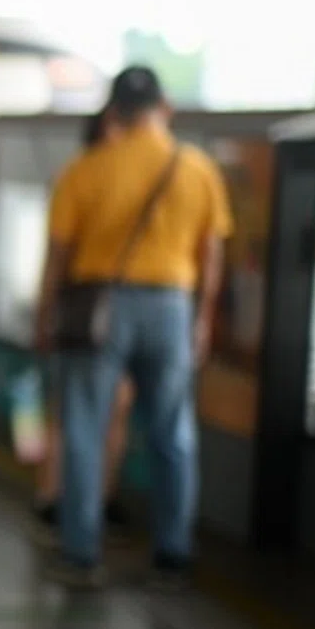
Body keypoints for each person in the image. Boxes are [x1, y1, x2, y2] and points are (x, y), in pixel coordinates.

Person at [34, 66, 231, 590]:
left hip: (100, 309)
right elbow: (211, 254)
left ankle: (81, 554)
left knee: (85, 427)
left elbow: (58, 256)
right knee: (173, 432)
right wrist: (202, 319)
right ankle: (172, 555)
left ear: (115, 112)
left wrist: (45, 314)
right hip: (171, 308)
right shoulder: (198, 169)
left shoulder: (86, 170)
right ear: (166, 107)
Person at [31, 112, 134, 545]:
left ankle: (57, 498)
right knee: (107, 409)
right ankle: (92, 500)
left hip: (81, 308)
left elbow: (56, 253)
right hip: (110, 309)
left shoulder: (74, 176)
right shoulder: (119, 177)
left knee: (73, 410)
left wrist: (44, 311)